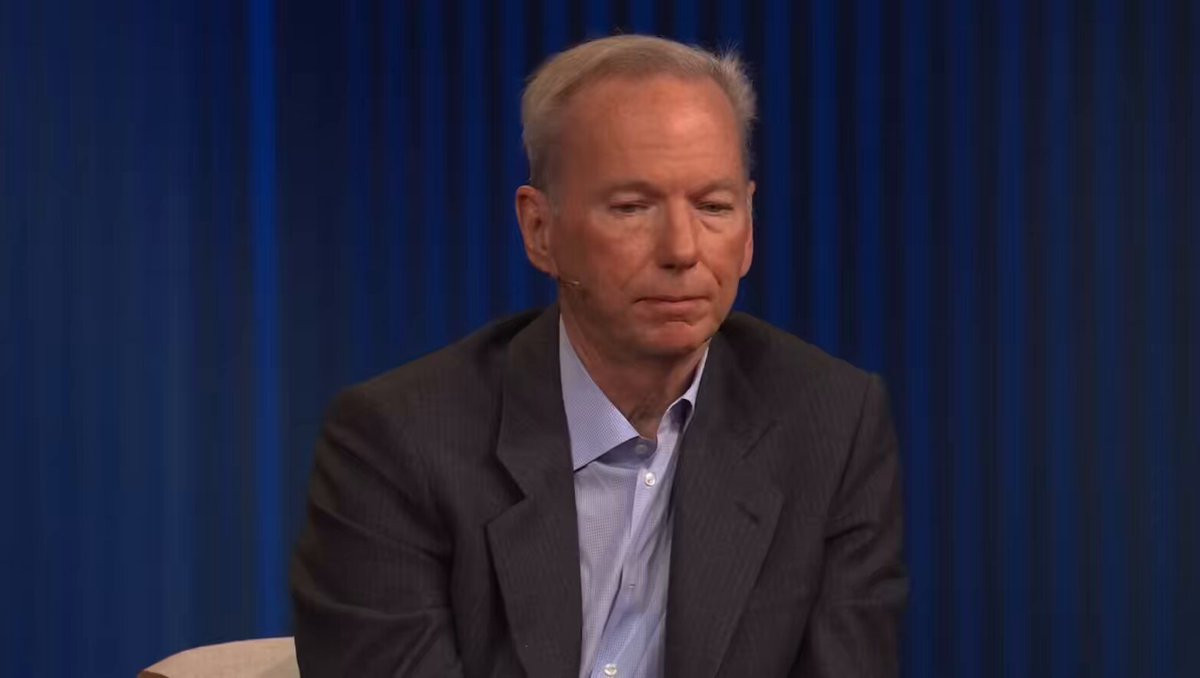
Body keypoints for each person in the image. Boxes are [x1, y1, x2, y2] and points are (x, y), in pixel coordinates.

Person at [291, 34, 907, 677]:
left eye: (713, 206)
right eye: (632, 208)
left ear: (749, 227)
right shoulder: (399, 442)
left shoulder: (831, 426)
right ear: (540, 230)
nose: (682, 249)